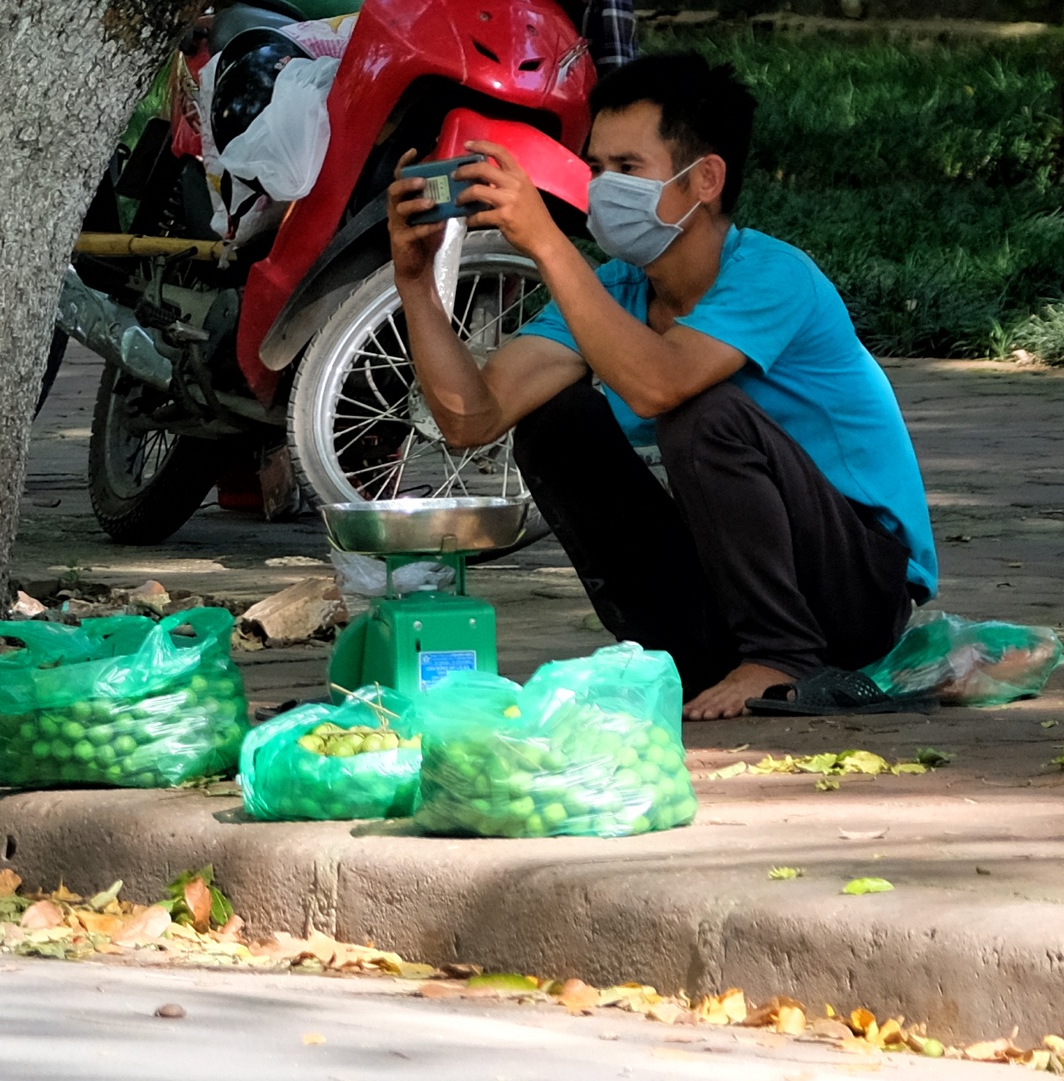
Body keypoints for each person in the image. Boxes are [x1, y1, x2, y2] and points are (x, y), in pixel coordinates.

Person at [391, 51, 933, 720]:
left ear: (704, 179)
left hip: (859, 590)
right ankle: (683, 651)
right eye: (595, 167)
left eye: (627, 169)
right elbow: (473, 418)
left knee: (699, 415)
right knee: (554, 424)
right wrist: (415, 285)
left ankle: (782, 657)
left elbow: (660, 383)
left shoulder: (775, 276)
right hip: (733, 590)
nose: (602, 187)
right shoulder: (615, 287)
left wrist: (548, 246)